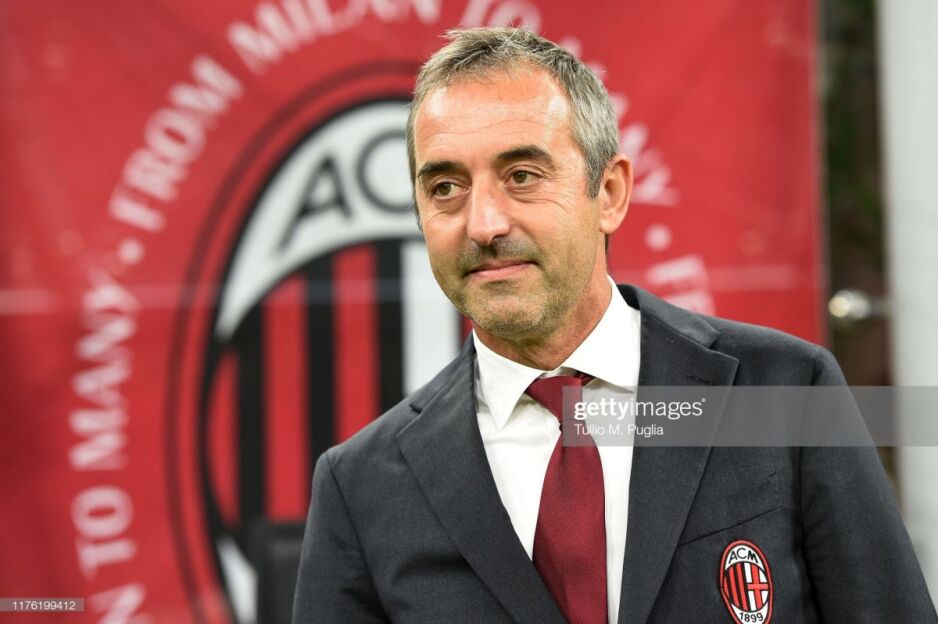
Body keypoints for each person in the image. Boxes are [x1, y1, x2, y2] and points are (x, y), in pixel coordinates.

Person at [293, 27, 937, 623]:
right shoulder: (361, 488)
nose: (483, 224)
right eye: (444, 188)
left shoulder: (784, 392)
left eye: (522, 176)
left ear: (609, 194)